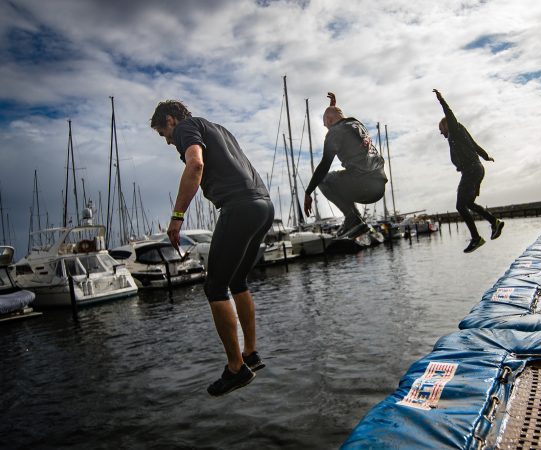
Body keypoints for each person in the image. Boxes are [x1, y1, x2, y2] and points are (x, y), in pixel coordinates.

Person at [151, 100, 274, 396]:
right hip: (263, 206)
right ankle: (251, 353)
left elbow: (195, 163)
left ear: (170, 120)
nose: (168, 141)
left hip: (239, 207)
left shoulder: (185, 128)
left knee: (214, 288)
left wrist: (177, 217)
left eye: (163, 133)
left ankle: (235, 369)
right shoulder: (219, 129)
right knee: (237, 281)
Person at [304, 93, 387, 237]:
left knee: (324, 180)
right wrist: (333, 108)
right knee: (341, 179)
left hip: (364, 185)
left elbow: (324, 165)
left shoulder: (335, 131)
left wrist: (308, 192)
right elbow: (339, 118)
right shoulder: (356, 124)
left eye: (326, 125)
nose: (327, 129)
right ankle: (356, 221)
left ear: (330, 120)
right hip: (379, 186)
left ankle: (352, 219)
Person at [433, 89, 504, 253]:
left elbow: (449, 114)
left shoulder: (455, 130)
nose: (441, 133)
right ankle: (494, 222)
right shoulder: (461, 135)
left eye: (441, 129)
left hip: (471, 170)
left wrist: (441, 100)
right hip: (476, 170)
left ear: (446, 125)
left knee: (460, 206)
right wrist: (486, 157)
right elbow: (475, 145)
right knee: (469, 203)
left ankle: (476, 238)